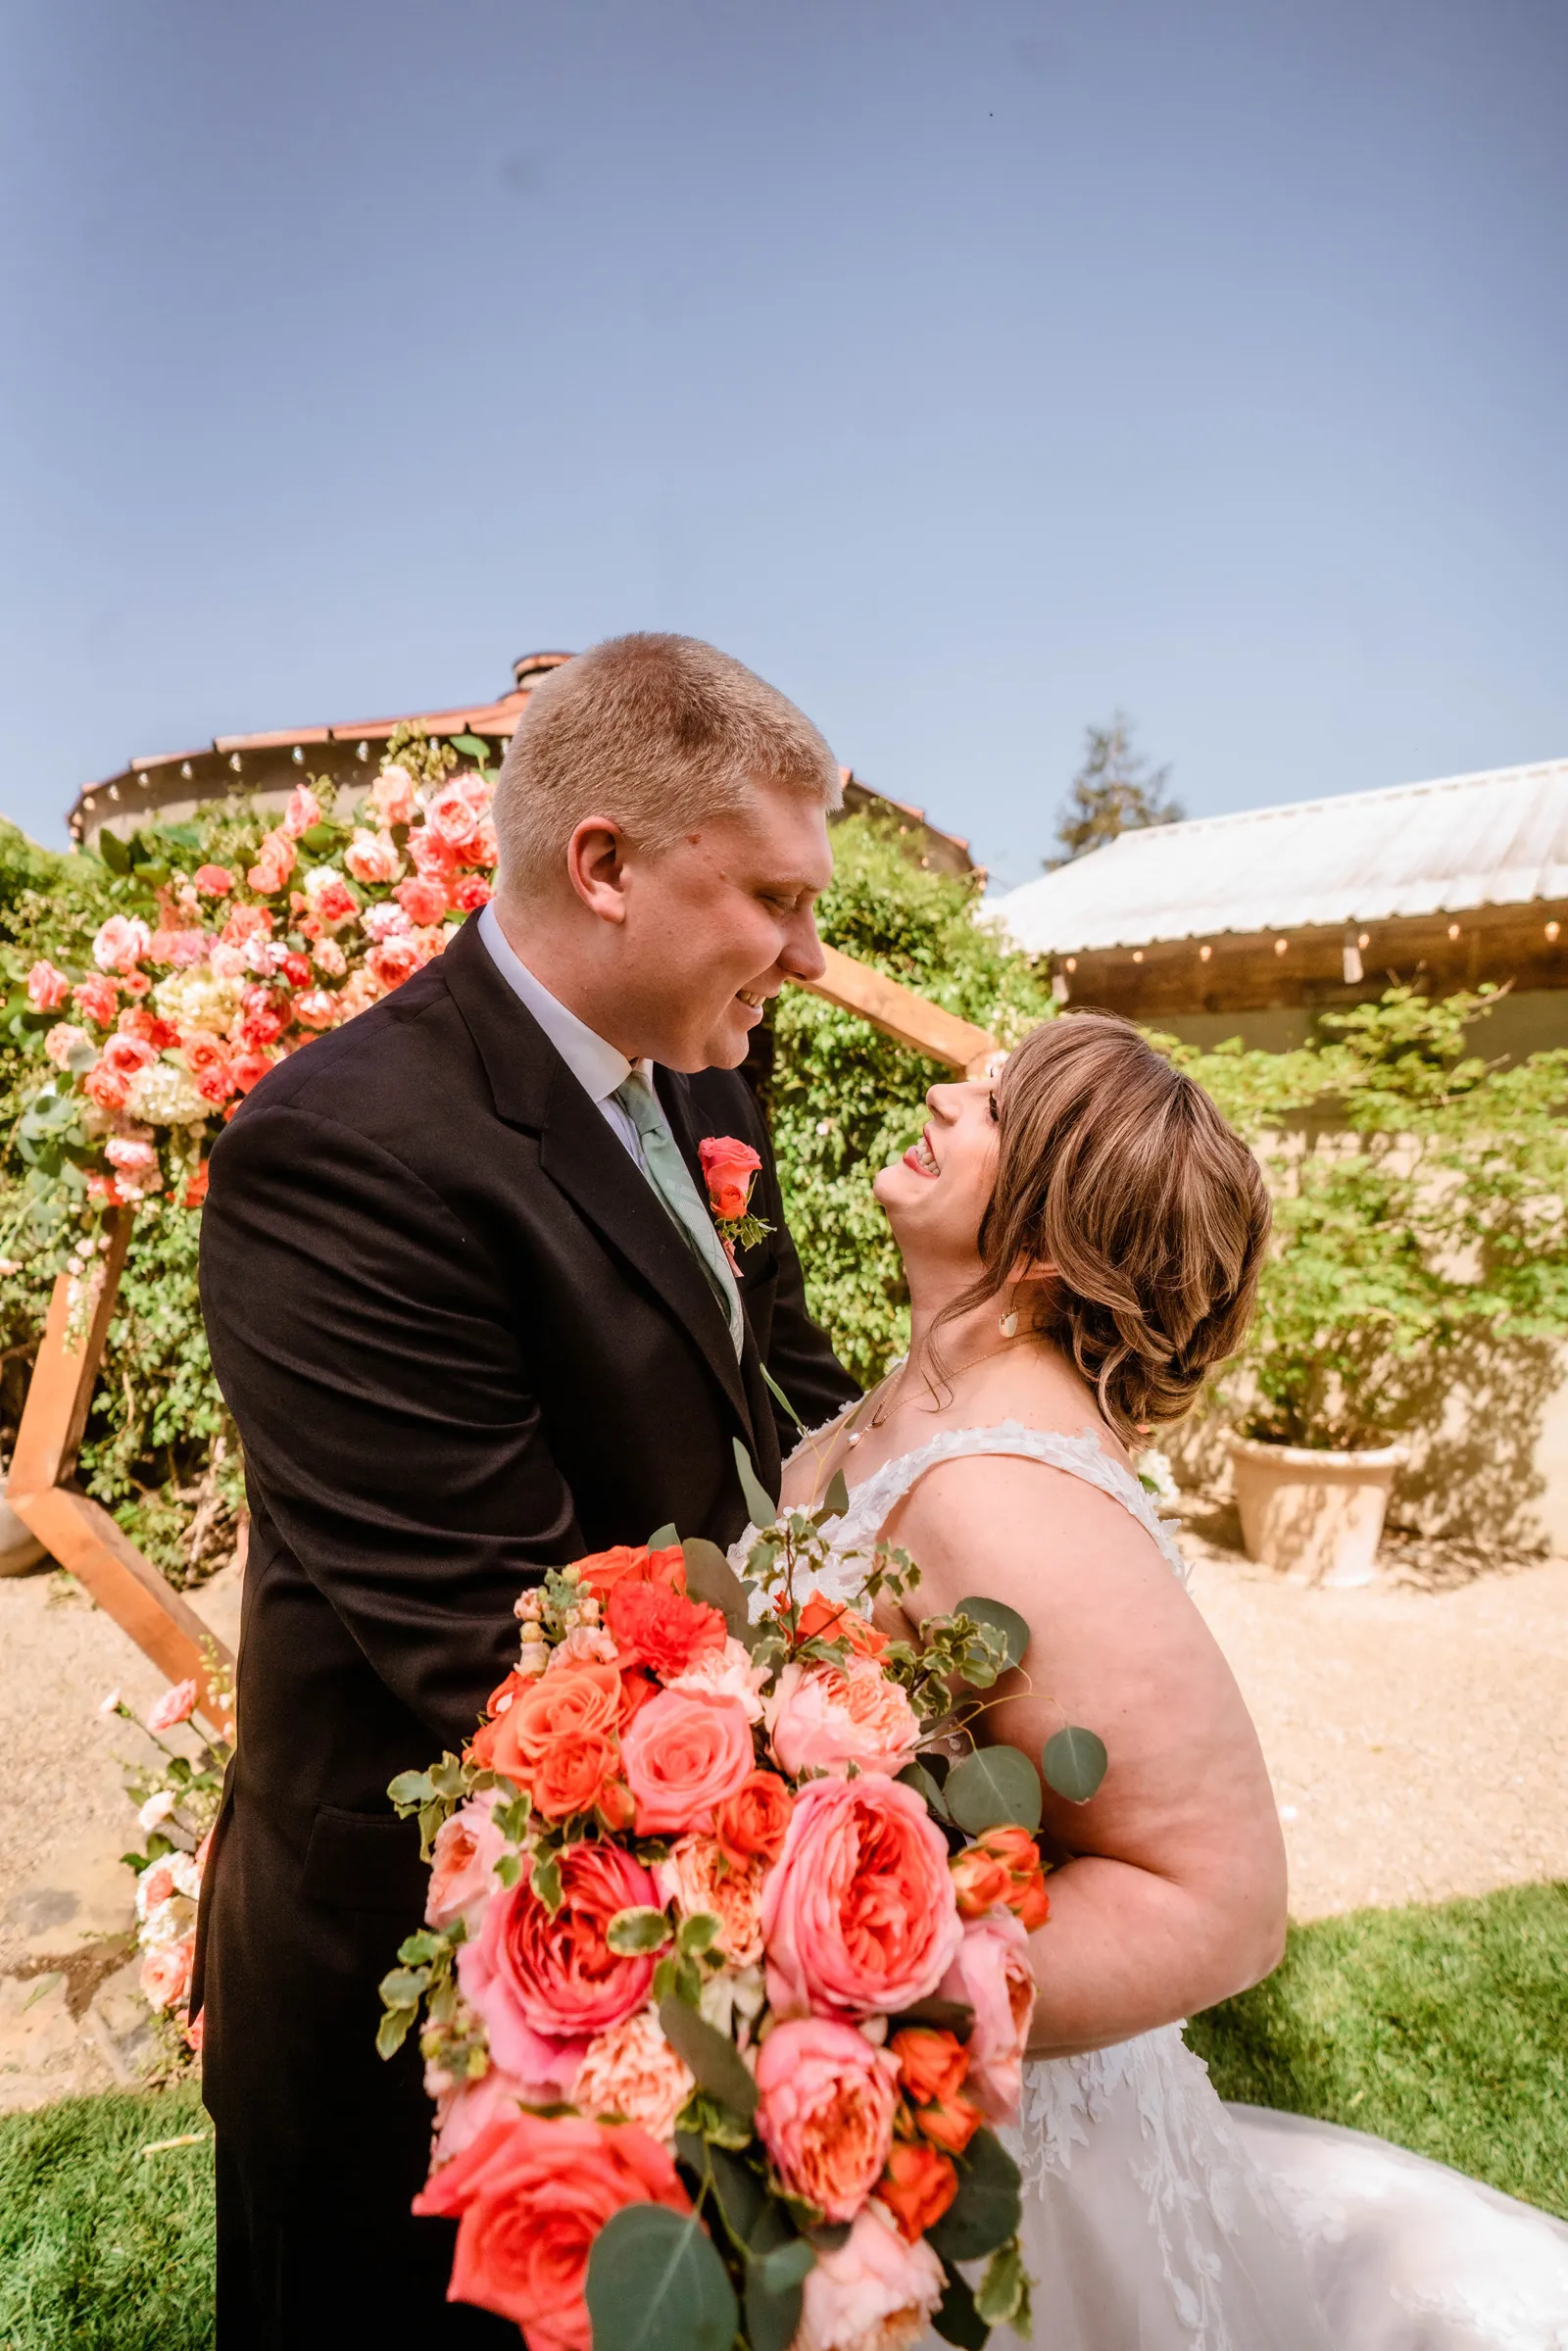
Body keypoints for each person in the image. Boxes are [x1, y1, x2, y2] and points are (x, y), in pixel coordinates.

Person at [194, 633, 859, 2348]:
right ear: (607, 864)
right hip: (417, 1953)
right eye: (775, 898)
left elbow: (786, 1376)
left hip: (668, 1874)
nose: (809, 953)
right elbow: (505, 1647)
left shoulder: (704, 1070)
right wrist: (857, 1795)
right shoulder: (345, 1153)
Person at [762, 1012, 1568, 2351]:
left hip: (995, 2181)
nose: (947, 1097)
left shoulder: (1003, 1494)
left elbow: (1226, 1903)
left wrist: (870, 1990)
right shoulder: (919, 1396)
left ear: (1041, 1241)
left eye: (996, 1106)